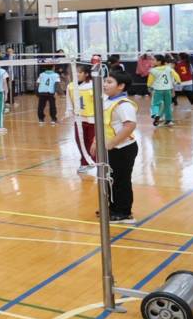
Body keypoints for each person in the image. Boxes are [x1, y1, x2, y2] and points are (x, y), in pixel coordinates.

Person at [90, 71, 138, 224]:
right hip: (110, 148)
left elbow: (129, 126)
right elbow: (103, 124)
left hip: (123, 149)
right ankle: (112, 207)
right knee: (109, 179)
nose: (104, 84)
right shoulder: (107, 101)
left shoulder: (124, 104)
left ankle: (124, 212)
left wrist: (111, 144)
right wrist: (96, 141)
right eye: (105, 81)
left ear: (121, 86)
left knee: (121, 180)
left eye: (109, 82)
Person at [67, 64, 96, 176]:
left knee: (92, 142)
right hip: (79, 119)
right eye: (75, 72)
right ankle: (85, 162)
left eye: (79, 72)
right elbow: (69, 101)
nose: (76, 74)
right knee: (80, 141)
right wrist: (68, 111)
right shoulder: (71, 86)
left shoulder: (92, 85)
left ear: (86, 74)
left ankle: (95, 161)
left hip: (93, 120)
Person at [147, 54, 177, 127]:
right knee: (167, 105)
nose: (152, 61)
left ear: (159, 62)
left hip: (157, 90)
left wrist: (149, 87)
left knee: (155, 104)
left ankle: (156, 115)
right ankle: (168, 120)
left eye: (153, 60)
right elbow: (173, 81)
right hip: (166, 90)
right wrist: (173, 91)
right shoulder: (168, 69)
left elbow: (150, 81)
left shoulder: (154, 70)